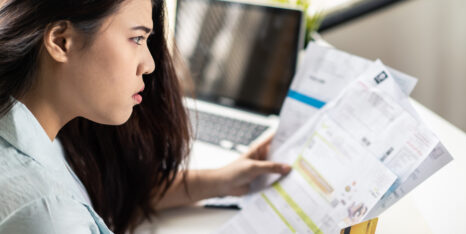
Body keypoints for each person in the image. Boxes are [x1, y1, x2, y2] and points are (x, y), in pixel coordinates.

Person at [0, 0, 291, 233]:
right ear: (62, 41)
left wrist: (219, 181)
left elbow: (104, 198)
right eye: (137, 38)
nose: (149, 64)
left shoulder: (27, 131)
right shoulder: (48, 214)